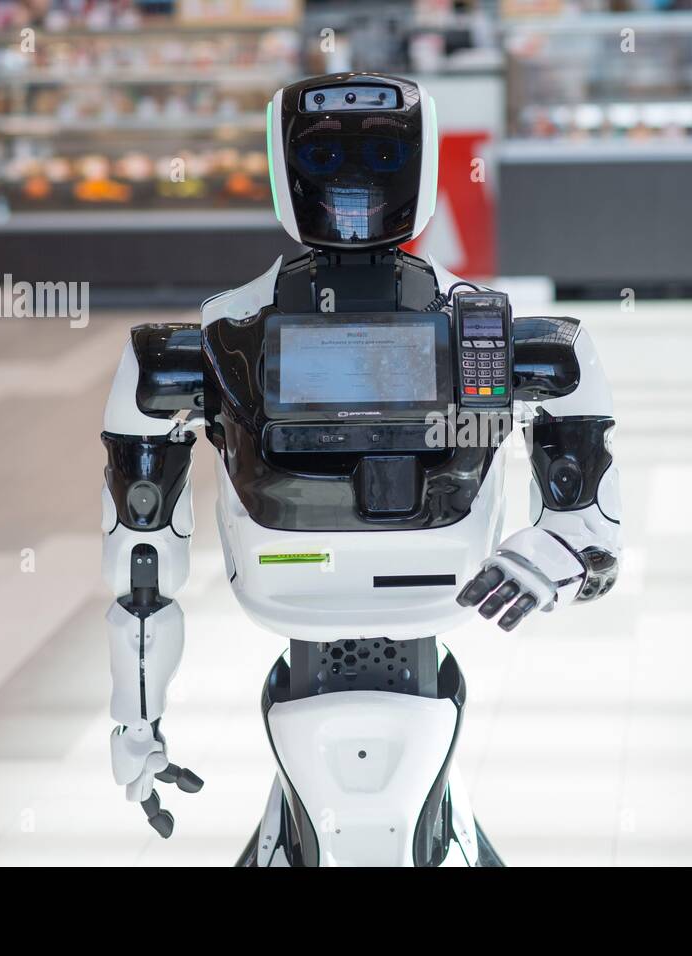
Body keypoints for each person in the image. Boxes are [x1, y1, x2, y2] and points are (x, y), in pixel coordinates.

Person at [99, 73, 623, 866]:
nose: (352, 182)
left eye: (376, 152)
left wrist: (137, 718)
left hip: (296, 588)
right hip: (428, 595)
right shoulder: (491, 326)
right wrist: (570, 543)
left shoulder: (209, 337)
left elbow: (142, 564)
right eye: (334, 156)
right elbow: (594, 516)